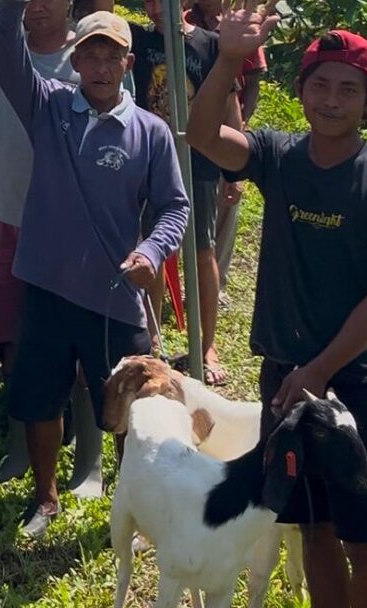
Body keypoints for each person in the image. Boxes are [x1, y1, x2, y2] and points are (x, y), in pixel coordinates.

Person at [187, 5, 367, 607]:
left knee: (365, 540)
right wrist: (227, 58)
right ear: (300, 91)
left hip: (353, 382)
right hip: (283, 378)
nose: (332, 100)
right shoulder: (279, 156)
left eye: (348, 89)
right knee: (312, 528)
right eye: (320, 85)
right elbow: (199, 134)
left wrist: (320, 372)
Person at [0, 5, 189, 538]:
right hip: (47, 285)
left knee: (133, 406)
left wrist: (152, 252)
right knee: (38, 396)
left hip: (114, 295)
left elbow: (176, 207)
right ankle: (46, 498)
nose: (100, 66)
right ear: (74, 59)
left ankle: (132, 504)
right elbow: (6, 51)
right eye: (91, 55)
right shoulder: (48, 105)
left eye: (112, 57)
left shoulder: (150, 132)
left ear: (128, 63)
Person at [0, 0, 126, 491]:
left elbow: (124, 132)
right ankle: (19, 448)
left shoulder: (97, 51)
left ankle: (89, 462)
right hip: (6, 210)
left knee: (79, 342)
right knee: (14, 337)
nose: (37, 6)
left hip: (72, 222)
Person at [129, 0, 242, 386]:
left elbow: (230, 103)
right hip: (148, 162)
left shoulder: (209, 45)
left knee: (201, 250)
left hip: (200, 161)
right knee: (150, 248)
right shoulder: (137, 40)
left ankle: (206, 346)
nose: (156, 7)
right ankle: (153, 340)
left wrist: (234, 168)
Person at [184, 0, 266, 308]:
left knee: (223, 212)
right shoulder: (185, 19)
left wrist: (239, 128)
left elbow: (253, 81)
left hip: (228, 129)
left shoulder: (240, 20)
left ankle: (215, 287)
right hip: (196, 133)